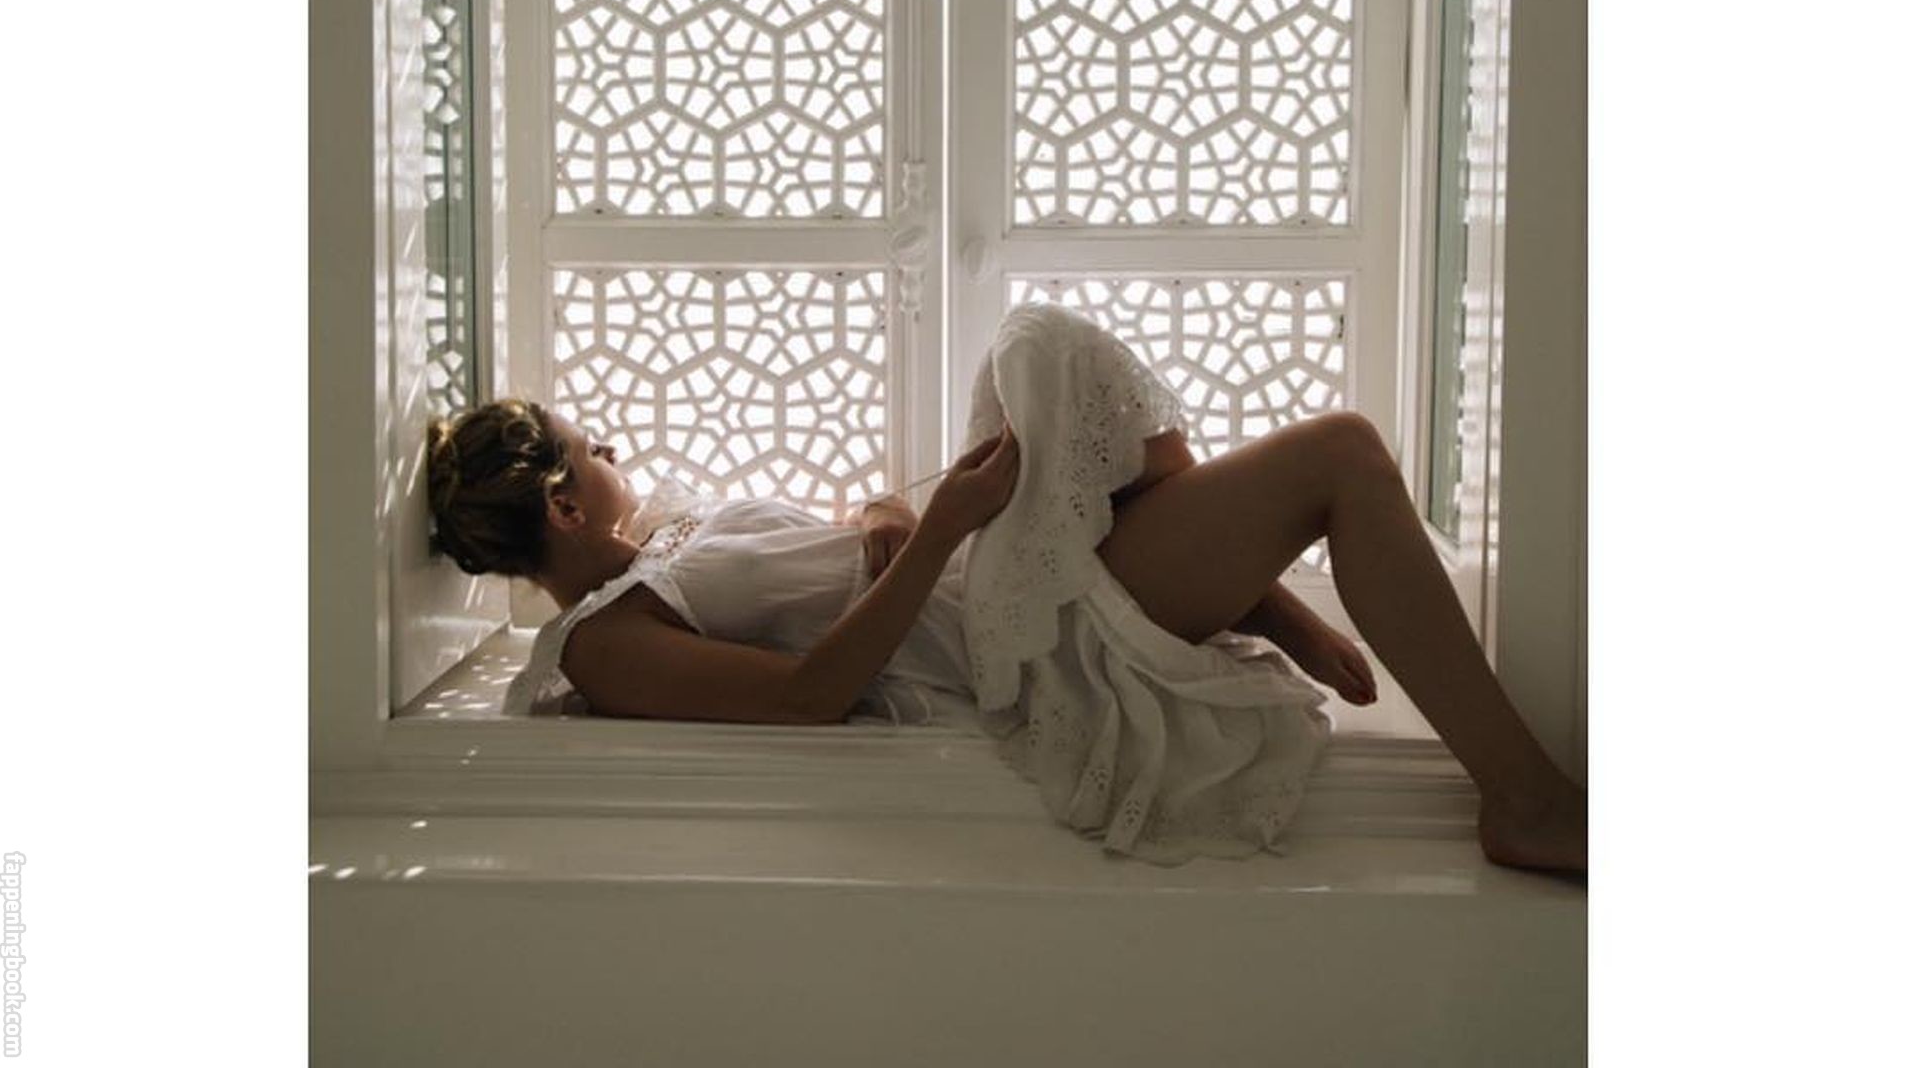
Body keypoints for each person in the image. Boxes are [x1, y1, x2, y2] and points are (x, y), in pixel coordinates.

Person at [426, 302, 1585, 875]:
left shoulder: (670, 535)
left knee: (1036, 346)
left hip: (981, 577)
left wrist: (881, 516)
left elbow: (831, 549)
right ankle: (1523, 799)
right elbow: (805, 698)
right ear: (563, 508)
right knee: (1337, 451)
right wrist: (937, 531)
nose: (611, 448)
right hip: (1015, 648)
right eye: (588, 445)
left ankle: (1259, 593)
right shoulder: (603, 646)